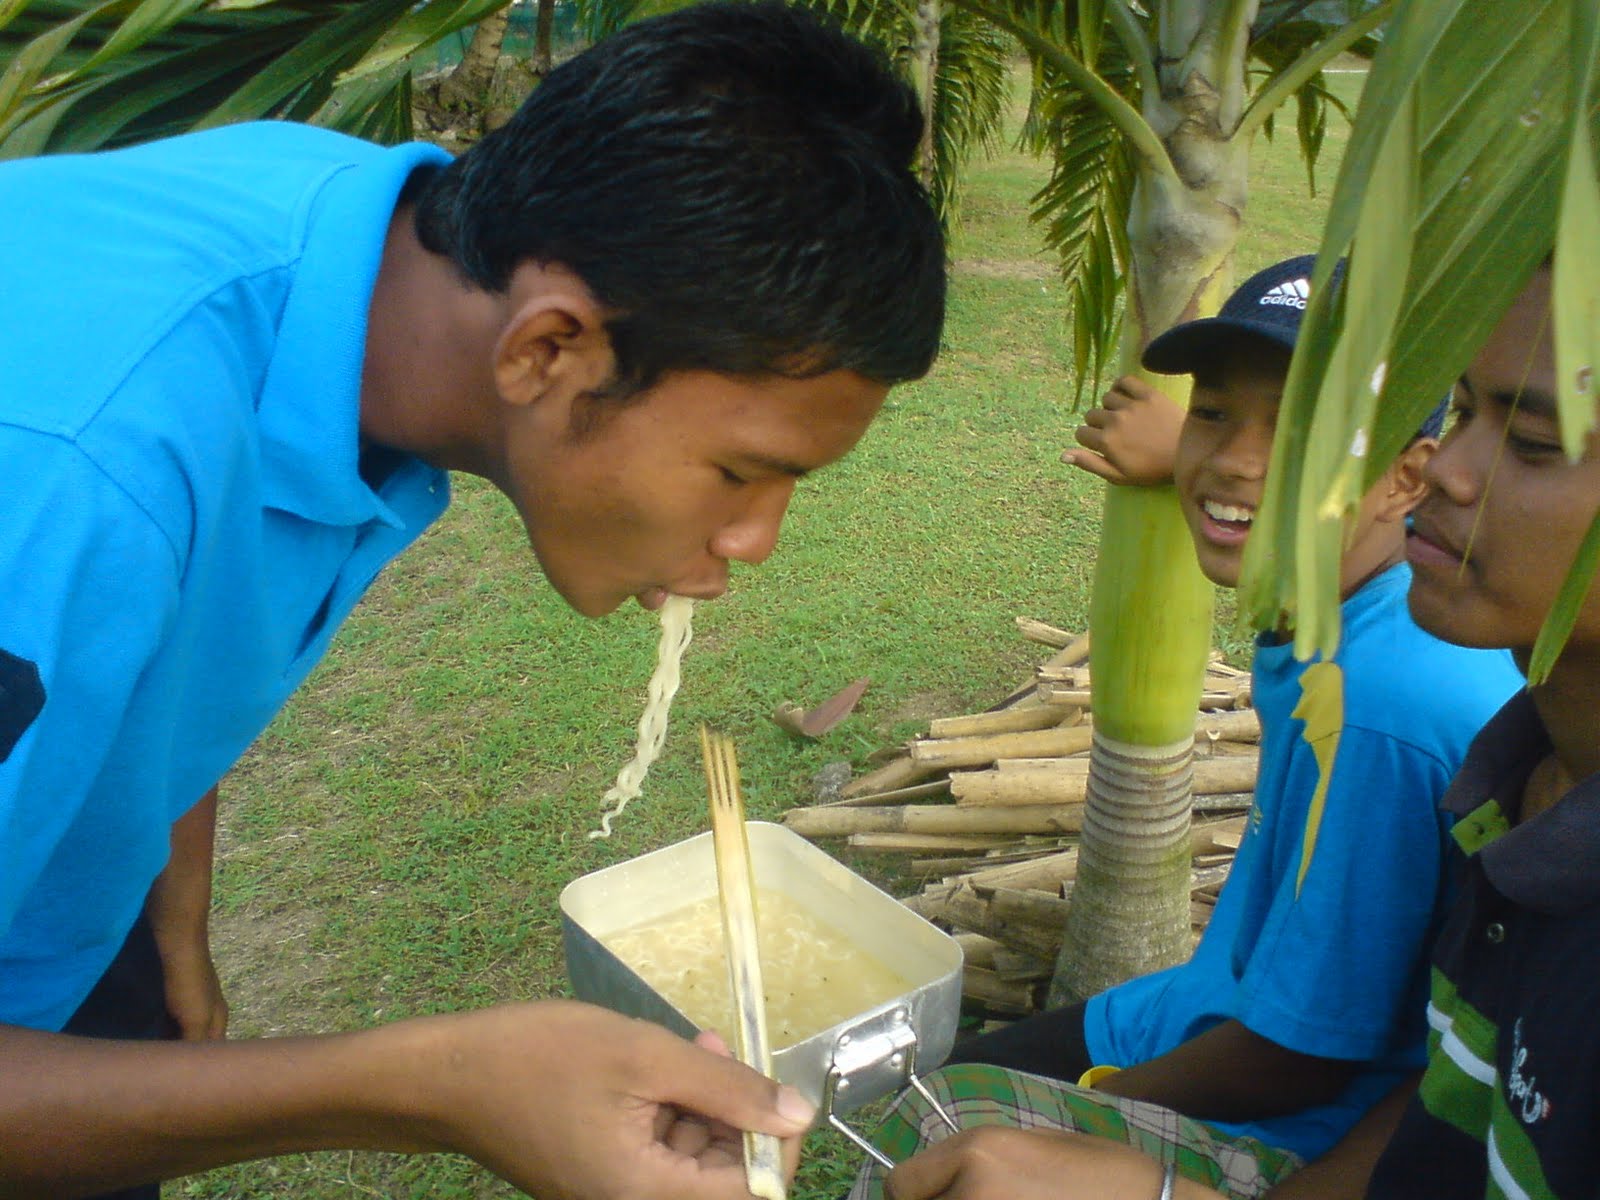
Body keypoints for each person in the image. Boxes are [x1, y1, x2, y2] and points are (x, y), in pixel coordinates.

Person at [0, 4, 946, 1197]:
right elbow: (98, 547)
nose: (754, 541)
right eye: (740, 473)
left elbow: (161, 641)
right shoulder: (62, 476)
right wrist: (433, 1083)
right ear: (547, 351)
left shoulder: (367, 257)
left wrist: (167, 924)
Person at [850, 256, 1597, 1200]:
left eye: (1305, 432)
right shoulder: (1369, 602)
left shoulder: (1379, 705)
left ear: (1403, 477)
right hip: (1206, 1005)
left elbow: (1302, 1057)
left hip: (1283, 1102)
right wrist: (1202, 465)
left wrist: (1102, 1101)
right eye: (1212, 412)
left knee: (934, 1115)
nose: (1240, 458)